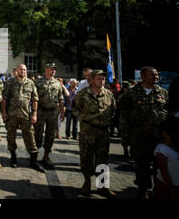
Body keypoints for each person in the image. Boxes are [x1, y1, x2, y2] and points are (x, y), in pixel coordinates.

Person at [119, 66, 169, 199]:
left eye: (156, 75)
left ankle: (159, 190)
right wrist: (125, 138)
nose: (156, 77)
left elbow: (168, 114)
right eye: (152, 75)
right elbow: (123, 116)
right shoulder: (131, 93)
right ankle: (143, 190)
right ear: (143, 76)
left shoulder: (163, 93)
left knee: (160, 166)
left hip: (159, 138)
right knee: (142, 166)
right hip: (139, 138)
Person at [73, 70, 117, 198]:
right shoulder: (82, 94)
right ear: (91, 80)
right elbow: (75, 109)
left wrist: (106, 121)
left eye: (103, 78)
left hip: (103, 132)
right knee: (86, 158)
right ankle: (87, 183)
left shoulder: (109, 94)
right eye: (99, 78)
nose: (102, 81)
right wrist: (86, 118)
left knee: (102, 159)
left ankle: (102, 187)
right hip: (88, 131)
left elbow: (113, 111)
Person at [2, 64, 44, 172]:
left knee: (30, 137)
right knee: (11, 137)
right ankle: (13, 158)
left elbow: (35, 99)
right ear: (17, 70)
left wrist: (34, 114)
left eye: (25, 69)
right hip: (12, 115)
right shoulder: (10, 82)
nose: (23, 71)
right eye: (21, 69)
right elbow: (5, 98)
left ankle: (34, 161)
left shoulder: (31, 83)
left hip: (26, 116)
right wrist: (4, 112)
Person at [34, 62, 65, 169]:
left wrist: (62, 111)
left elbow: (60, 98)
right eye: (51, 69)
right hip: (41, 111)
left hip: (52, 112)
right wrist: (33, 112)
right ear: (46, 69)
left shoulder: (57, 83)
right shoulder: (38, 82)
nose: (53, 71)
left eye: (54, 69)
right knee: (38, 133)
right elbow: (34, 98)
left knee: (50, 135)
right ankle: (35, 156)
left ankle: (46, 156)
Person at [153, 114, 179, 199]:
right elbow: (164, 173)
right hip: (166, 187)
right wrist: (172, 191)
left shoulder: (175, 147)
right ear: (165, 133)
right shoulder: (162, 149)